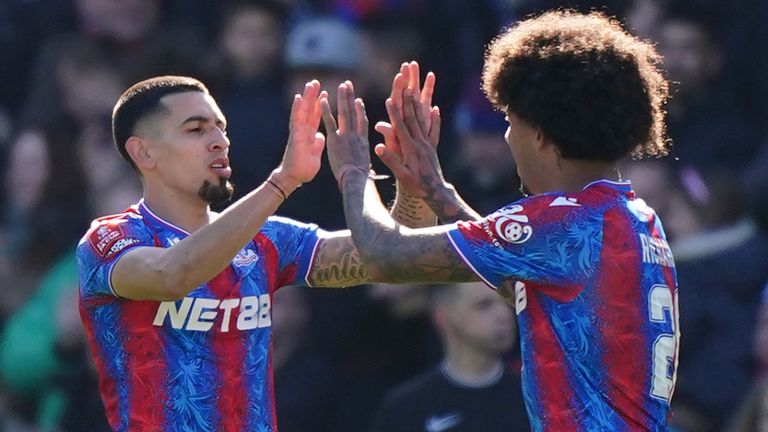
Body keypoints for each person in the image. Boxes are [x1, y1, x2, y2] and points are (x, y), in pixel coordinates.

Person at [321, 10, 679, 431]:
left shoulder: (552, 223)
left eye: (511, 123)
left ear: (541, 135)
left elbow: (384, 257)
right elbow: (531, 292)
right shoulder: (638, 217)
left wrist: (353, 174)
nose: (508, 138)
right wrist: (439, 194)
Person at [76, 74, 437, 431]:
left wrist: (416, 183)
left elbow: (392, 260)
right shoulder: (110, 241)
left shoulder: (266, 239)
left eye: (221, 128)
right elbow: (172, 276)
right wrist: (284, 180)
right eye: (197, 129)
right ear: (143, 152)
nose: (219, 141)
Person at [369, 282, 530, 432]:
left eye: (507, 303)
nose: (503, 315)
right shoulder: (405, 407)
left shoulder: (533, 399)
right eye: (484, 306)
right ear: (443, 317)